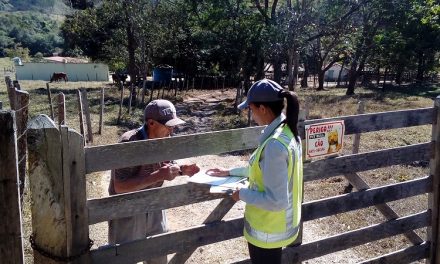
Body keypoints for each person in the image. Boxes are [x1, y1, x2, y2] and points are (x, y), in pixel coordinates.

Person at [207, 79, 303, 264]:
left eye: (251, 109)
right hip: (279, 226)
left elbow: (276, 202)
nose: (251, 114)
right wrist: (229, 172)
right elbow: (264, 169)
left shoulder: (274, 145)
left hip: (268, 230)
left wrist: (241, 194)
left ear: (263, 109)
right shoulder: (287, 133)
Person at [108, 99, 200, 264]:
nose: (172, 130)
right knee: (124, 257)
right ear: (151, 123)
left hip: (155, 204)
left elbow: (165, 167)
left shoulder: (165, 140)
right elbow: (120, 187)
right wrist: (158, 175)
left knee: (158, 254)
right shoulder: (129, 142)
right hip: (128, 209)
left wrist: (180, 169)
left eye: (174, 125)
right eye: (168, 125)